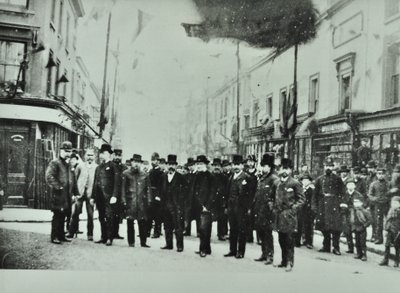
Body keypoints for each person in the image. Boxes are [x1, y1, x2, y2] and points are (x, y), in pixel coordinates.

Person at [273, 158, 305, 272]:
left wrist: (293, 209)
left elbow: (301, 200)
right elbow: (272, 197)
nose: (284, 171)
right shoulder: (277, 183)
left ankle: (290, 263)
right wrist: (273, 207)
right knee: (281, 239)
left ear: (290, 170)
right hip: (279, 215)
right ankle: (283, 261)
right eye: (282, 168)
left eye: (287, 168)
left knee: (289, 240)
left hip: (289, 216)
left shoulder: (295, 183)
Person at [45, 141, 78, 244]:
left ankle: (61, 235)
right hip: (59, 195)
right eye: (65, 151)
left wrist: (75, 192)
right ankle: (54, 236)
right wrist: (58, 187)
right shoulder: (55, 163)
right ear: (60, 151)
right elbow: (49, 176)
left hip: (67, 195)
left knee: (64, 214)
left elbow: (73, 178)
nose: (67, 153)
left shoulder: (68, 165)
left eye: (69, 151)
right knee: (57, 215)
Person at [313, 157, 346, 255]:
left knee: (336, 228)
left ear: (333, 167)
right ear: (324, 166)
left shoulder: (337, 179)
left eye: (330, 166)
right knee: (324, 227)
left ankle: (336, 247)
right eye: (327, 166)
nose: (328, 168)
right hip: (323, 205)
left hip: (334, 205)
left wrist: (342, 205)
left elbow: (342, 193)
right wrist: (314, 207)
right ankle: (326, 246)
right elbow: (315, 195)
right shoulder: (319, 179)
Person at [251, 153, 278, 265]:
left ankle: (270, 256)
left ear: (270, 167)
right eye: (262, 166)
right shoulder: (262, 178)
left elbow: (276, 196)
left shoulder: (274, 179)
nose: (263, 168)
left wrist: (272, 210)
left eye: (265, 166)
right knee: (261, 233)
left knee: (268, 234)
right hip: (259, 210)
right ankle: (264, 253)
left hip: (268, 212)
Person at [224, 155, 252, 259]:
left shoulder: (247, 177)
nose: (236, 166)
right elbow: (227, 193)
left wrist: (247, 208)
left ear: (242, 165)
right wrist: (226, 206)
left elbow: (250, 195)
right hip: (231, 207)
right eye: (234, 164)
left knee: (242, 230)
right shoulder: (231, 177)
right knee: (232, 229)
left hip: (241, 208)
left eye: (238, 164)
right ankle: (232, 250)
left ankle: (240, 251)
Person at [91, 144, 119, 246]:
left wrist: (114, 196)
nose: (103, 155)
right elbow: (95, 183)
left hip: (109, 197)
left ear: (109, 155)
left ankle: (109, 238)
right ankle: (103, 236)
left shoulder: (113, 167)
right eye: (102, 153)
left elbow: (117, 182)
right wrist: (93, 197)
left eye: (105, 153)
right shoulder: (98, 167)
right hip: (99, 197)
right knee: (101, 216)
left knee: (109, 216)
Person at [121, 154, 150, 248]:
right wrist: (124, 200)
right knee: (130, 222)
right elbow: (123, 189)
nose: (136, 164)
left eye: (138, 162)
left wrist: (149, 201)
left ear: (140, 163)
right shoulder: (126, 173)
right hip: (130, 202)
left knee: (142, 223)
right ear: (131, 162)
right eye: (135, 162)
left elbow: (148, 189)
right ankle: (131, 242)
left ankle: (143, 242)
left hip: (141, 202)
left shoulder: (145, 175)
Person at [160, 154, 185, 252]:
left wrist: (180, 202)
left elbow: (185, 191)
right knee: (167, 226)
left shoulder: (180, 177)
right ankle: (168, 244)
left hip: (176, 206)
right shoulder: (163, 176)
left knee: (178, 226)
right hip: (165, 205)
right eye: (169, 164)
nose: (171, 166)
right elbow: (160, 189)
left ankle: (179, 246)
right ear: (166, 165)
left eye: (173, 164)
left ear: (176, 166)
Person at [191, 155, 215, 257]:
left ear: (205, 165)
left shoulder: (210, 176)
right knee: (201, 228)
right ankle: (207, 248)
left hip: (206, 206)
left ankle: (203, 249)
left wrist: (207, 206)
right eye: (198, 164)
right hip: (198, 205)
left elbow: (213, 192)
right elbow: (194, 191)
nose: (199, 166)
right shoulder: (196, 176)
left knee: (205, 228)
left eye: (201, 164)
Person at [66, 153, 88, 238]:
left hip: (75, 194)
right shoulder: (72, 167)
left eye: (74, 160)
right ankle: (70, 230)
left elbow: (79, 182)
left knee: (74, 213)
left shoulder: (79, 167)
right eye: (71, 160)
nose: (72, 161)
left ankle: (71, 231)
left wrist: (76, 194)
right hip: (70, 193)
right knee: (72, 213)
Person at [367, 166, 390, 244]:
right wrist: (375, 199)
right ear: (376, 174)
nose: (381, 175)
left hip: (387, 205)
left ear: (385, 175)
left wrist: (387, 198)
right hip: (378, 205)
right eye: (379, 174)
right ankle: (379, 238)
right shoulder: (373, 184)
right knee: (378, 222)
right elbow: (370, 195)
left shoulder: (388, 184)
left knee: (390, 222)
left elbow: (391, 193)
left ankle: (391, 240)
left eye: (382, 174)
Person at [341, 179, 365, 254]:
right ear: (346, 186)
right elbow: (342, 204)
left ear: (354, 186)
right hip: (346, 214)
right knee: (347, 232)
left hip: (355, 215)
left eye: (352, 184)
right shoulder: (344, 194)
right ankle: (350, 248)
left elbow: (361, 205)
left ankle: (359, 250)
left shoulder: (358, 195)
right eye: (348, 185)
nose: (350, 186)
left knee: (357, 232)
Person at [348, 189, 371, 262]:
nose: (356, 204)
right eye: (355, 202)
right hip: (356, 228)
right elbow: (352, 219)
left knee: (362, 242)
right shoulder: (353, 211)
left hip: (362, 228)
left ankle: (364, 255)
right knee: (357, 241)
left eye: (358, 202)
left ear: (361, 203)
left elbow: (370, 220)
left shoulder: (364, 211)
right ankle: (359, 253)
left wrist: (364, 226)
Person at [379, 196, 400, 267]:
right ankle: (385, 259)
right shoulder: (390, 211)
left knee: (397, 246)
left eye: (396, 203)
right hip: (390, 230)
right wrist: (385, 229)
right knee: (387, 245)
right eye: (393, 203)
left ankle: (396, 261)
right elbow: (387, 220)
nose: (394, 204)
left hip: (397, 231)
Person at [82, 149, 98, 241]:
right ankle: (71, 231)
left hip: (90, 194)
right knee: (75, 212)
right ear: (85, 156)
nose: (89, 157)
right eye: (88, 155)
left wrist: (94, 196)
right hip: (81, 193)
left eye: (91, 155)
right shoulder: (80, 166)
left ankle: (90, 234)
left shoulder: (97, 167)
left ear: (94, 157)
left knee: (90, 215)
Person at [211, 158, 228, 241]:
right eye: (214, 166)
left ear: (221, 167)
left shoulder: (224, 178)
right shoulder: (209, 176)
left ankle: (221, 234)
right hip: (211, 201)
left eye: (218, 166)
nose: (216, 167)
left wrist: (225, 201)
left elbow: (227, 190)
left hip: (221, 200)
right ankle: (206, 234)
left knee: (222, 218)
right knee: (208, 218)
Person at [148, 152, 163, 238]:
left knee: (157, 215)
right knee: (149, 214)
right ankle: (147, 231)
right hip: (150, 194)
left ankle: (157, 232)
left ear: (158, 161)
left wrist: (158, 195)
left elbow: (161, 185)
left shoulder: (160, 172)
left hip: (157, 196)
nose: (153, 162)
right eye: (152, 160)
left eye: (155, 160)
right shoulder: (150, 171)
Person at [298, 171, 315, 249]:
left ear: (310, 181)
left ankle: (309, 242)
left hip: (309, 211)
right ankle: (298, 241)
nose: (305, 182)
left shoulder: (312, 191)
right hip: (300, 210)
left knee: (309, 226)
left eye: (307, 180)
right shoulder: (300, 190)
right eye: (304, 180)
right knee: (299, 225)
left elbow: (313, 200)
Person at [112, 149, 125, 240]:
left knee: (118, 214)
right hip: (111, 193)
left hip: (120, 194)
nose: (117, 157)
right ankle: (110, 233)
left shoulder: (123, 167)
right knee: (110, 214)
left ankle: (116, 232)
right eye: (116, 155)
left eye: (119, 155)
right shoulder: (111, 165)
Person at [184, 157, 198, 236]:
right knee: (187, 213)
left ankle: (199, 231)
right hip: (188, 198)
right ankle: (187, 230)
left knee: (197, 214)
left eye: (192, 165)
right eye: (189, 166)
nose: (190, 167)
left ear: (195, 165)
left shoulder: (198, 175)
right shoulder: (187, 175)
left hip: (196, 197)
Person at [245, 154, 258, 243]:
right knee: (245, 217)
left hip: (254, 197)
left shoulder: (257, 174)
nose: (250, 163)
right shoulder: (245, 173)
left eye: (252, 162)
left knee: (254, 217)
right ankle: (248, 236)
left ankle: (258, 237)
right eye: (249, 161)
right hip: (245, 197)